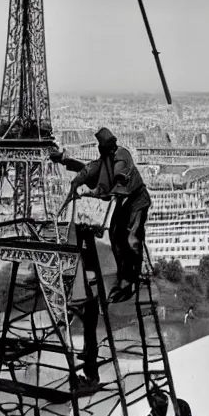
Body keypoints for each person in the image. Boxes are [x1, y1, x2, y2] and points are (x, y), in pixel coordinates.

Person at [50, 127, 151, 303]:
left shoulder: (121, 155)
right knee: (115, 236)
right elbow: (89, 170)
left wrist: (93, 187)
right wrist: (71, 170)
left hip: (136, 202)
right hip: (124, 202)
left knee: (131, 240)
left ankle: (130, 280)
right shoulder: (107, 161)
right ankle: (124, 278)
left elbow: (119, 172)